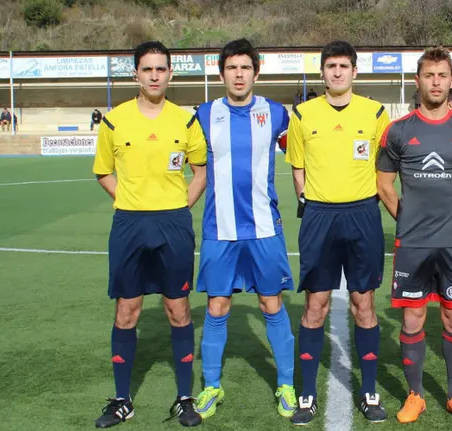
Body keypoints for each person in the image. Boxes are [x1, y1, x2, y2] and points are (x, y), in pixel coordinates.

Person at [92, 40, 207, 429]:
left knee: (178, 308)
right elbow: (103, 172)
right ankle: (122, 400)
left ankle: (185, 397)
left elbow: (200, 173)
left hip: (173, 224)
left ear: (170, 74)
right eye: (147, 69)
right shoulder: (114, 121)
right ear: (136, 74)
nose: (154, 76)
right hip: (129, 224)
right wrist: (129, 200)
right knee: (128, 310)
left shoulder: (186, 121)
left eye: (161, 69)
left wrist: (178, 206)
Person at [377, 46, 452, 424]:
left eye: (442, 75)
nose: (436, 82)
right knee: (412, 320)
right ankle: (416, 395)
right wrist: (408, 221)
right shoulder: (398, 131)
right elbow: (384, 185)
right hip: (412, 244)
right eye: (429, 75)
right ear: (418, 81)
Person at [190, 38, 298, 421]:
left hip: (264, 228)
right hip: (219, 229)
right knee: (217, 306)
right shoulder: (204, 114)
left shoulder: (276, 113)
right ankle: (211, 386)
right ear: (222, 74)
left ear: (256, 72)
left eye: (245, 68)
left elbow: (302, 153)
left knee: (271, 303)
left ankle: (286, 384)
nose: (239, 75)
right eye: (232, 68)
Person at [285, 40, 390, 425]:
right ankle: (308, 395)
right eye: (331, 66)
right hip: (320, 217)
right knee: (316, 304)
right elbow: (297, 167)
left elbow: (384, 168)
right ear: (323, 72)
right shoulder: (302, 114)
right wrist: (309, 201)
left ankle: (369, 391)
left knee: (364, 302)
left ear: (354, 71)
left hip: (363, 215)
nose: (337, 72)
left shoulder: (375, 113)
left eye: (344, 66)